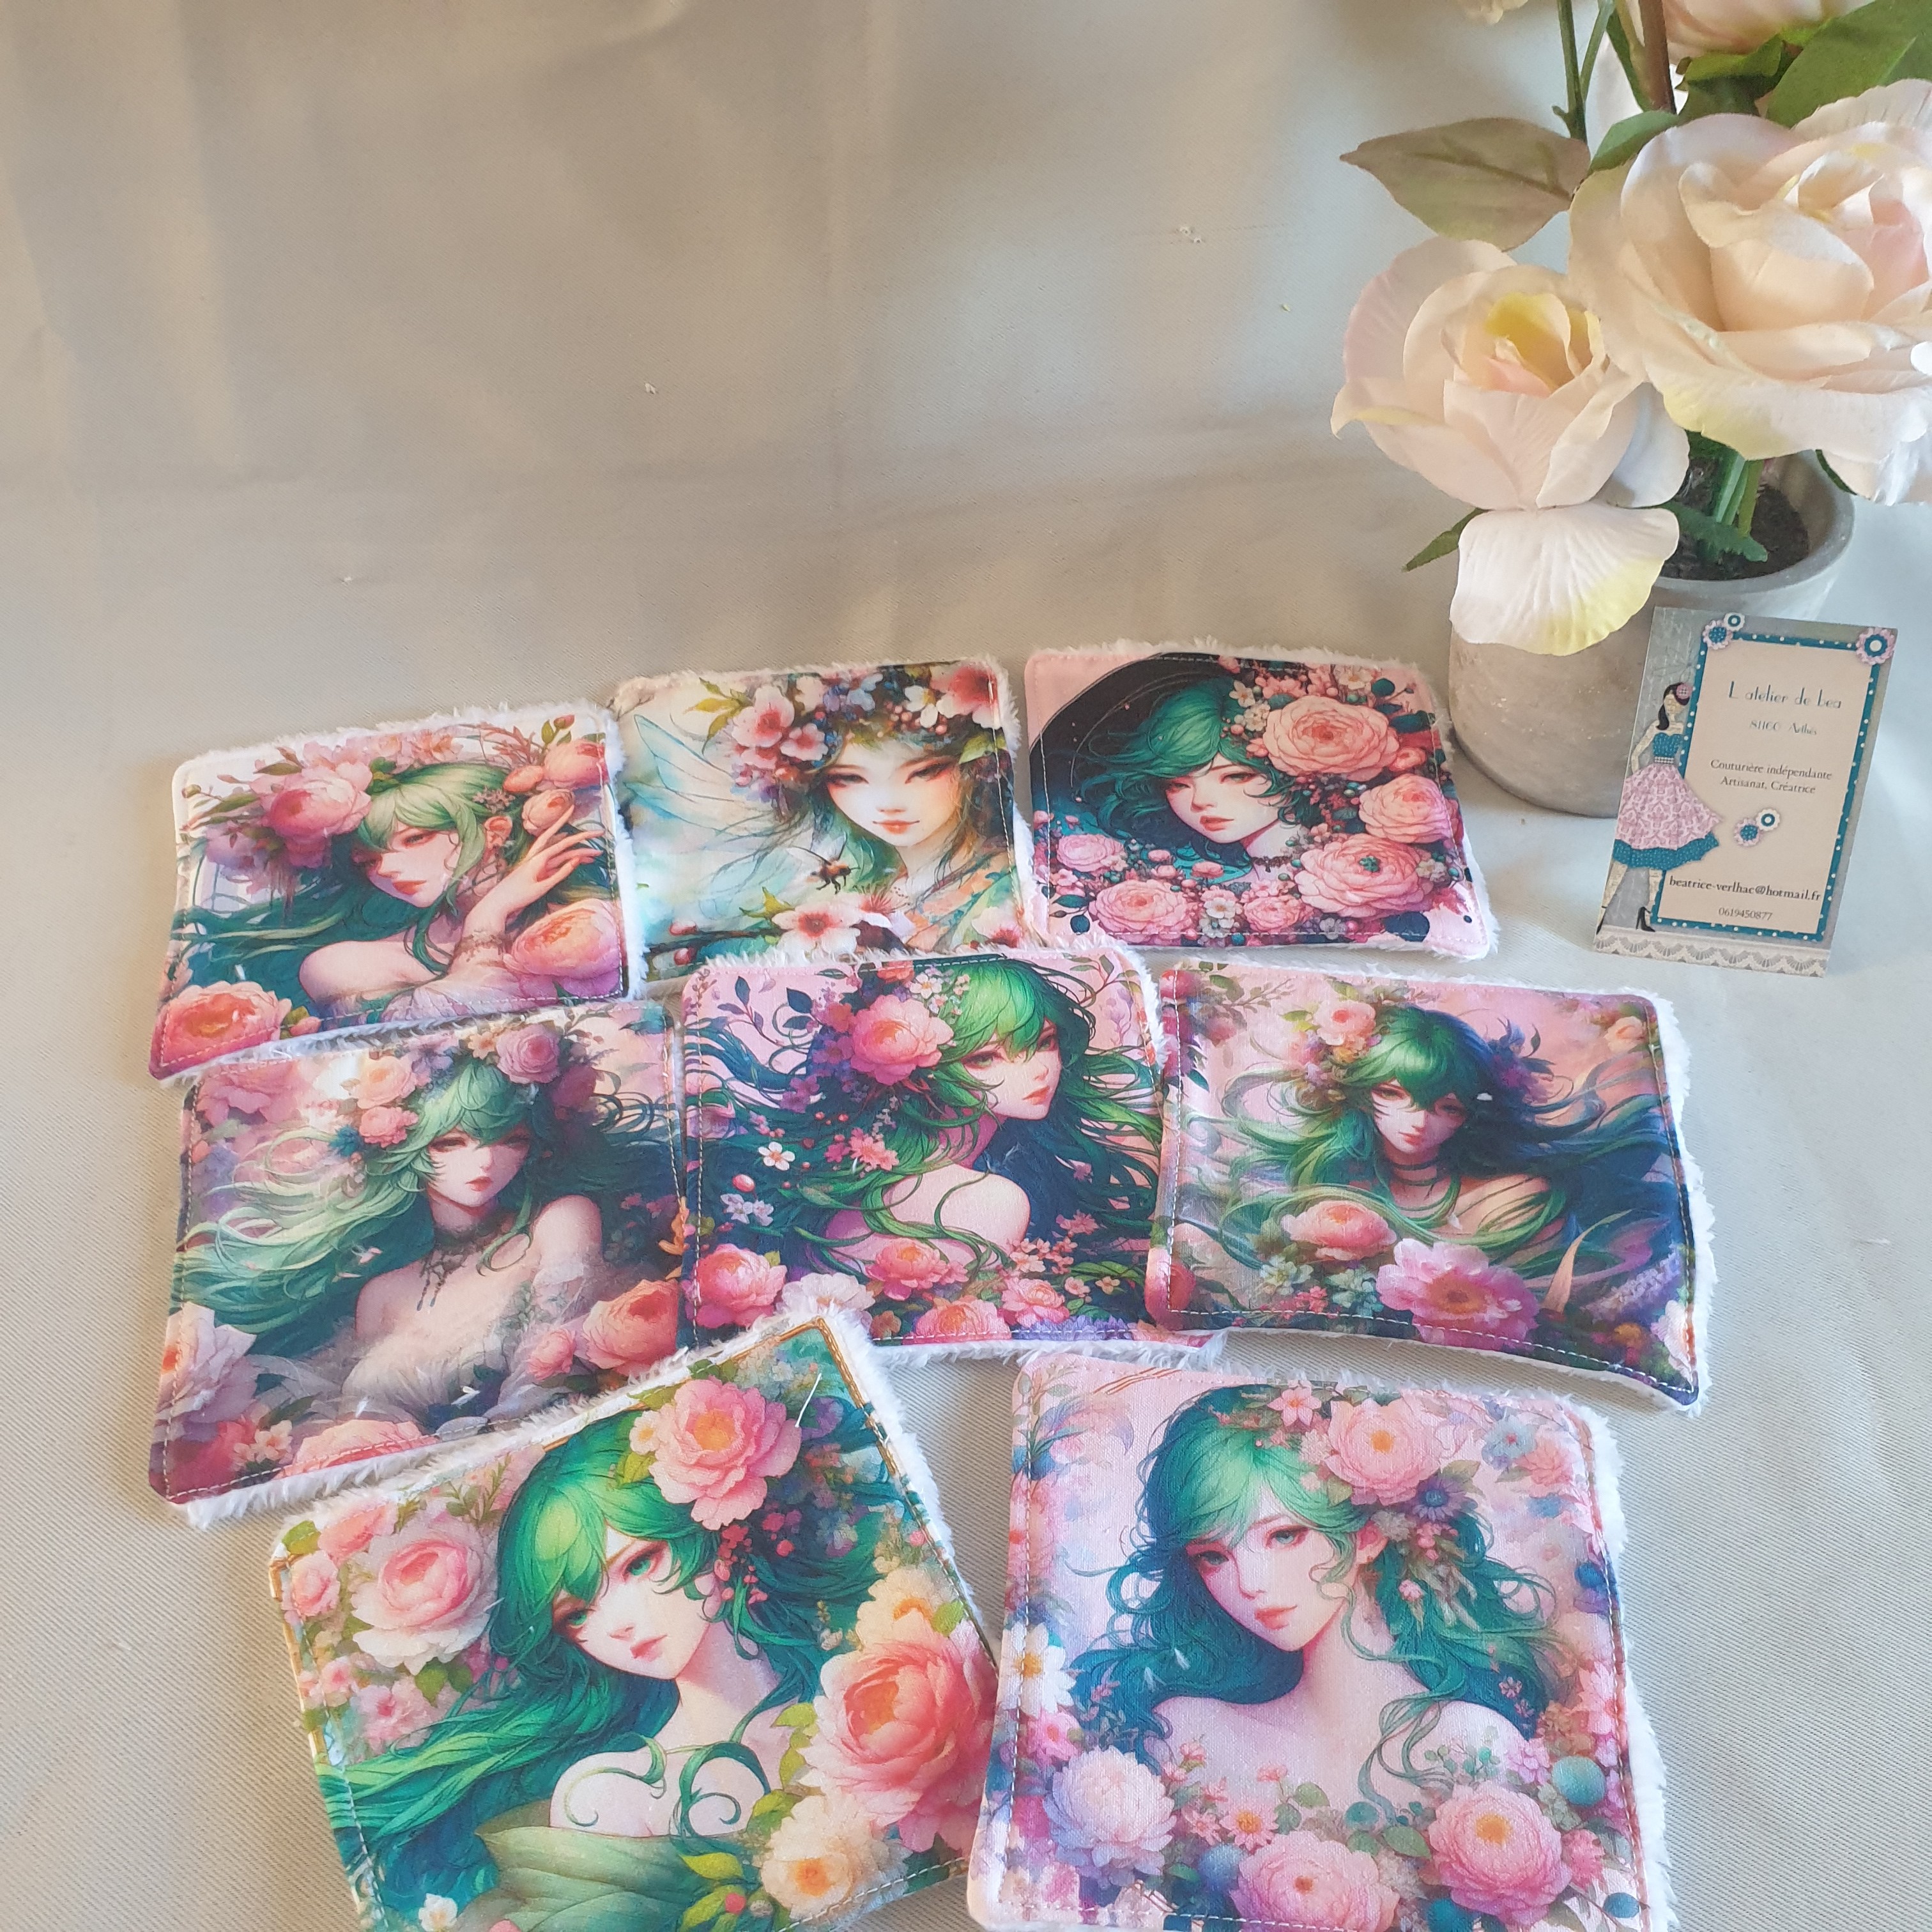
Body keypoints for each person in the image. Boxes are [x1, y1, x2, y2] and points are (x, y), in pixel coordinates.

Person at [330, 1386, 909, 1923]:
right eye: (578, 1615)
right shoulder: (610, 1793)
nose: (620, 1624)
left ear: (706, 1526)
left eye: (639, 1563)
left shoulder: (869, 1686)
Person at [1072, 1384, 1557, 1814]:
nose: (1249, 1584)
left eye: (1284, 1535)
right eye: (1213, 1556)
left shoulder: (1475, 1742)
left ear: (1369, 1534)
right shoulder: (1189, 1736)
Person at [172, 1029, 676, 1435]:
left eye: (512, 1140)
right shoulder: (382, 1294)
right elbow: (358, 1418)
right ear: (405, 1149)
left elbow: (546, 1374)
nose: (484, 1162)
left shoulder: (559, 1222)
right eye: (450, 1143)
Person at [694, 956, 1158, 1307]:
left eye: (1044, 1042)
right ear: (915, 1072)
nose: (1038, 1071)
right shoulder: (988, 1200)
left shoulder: (939, 1172)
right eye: (985, 1057)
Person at [161, 745, 619, 1064]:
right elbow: (446, 1051)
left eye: (415, 838)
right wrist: (487, 917)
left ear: (496, 832)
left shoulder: (586, 921)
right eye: (368, 860)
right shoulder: (344, 965)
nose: (387, 869)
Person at [1217, 1000, 1680, 1293]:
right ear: (1355, 1092)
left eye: (1448, 1107)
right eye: (1392, 1094)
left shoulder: (1515, 1200)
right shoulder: (1335, 1176)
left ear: (1472, 1114)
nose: (1418, 1122)